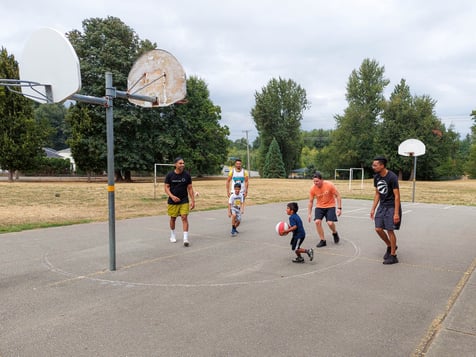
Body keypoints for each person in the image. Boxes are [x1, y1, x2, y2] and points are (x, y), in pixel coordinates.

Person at [370, 156, 401, 265]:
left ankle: (393, 255)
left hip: (392, 206)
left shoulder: (392, 177)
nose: (373, 167)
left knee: (389, 230)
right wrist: (373, 208)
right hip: (382, 206)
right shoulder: (377, 177)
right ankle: (390, 245)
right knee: (378, 229)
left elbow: (397, 196)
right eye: (373, 165)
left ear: (382, 165)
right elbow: (377, 193)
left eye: (375, 165)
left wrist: (396, 213)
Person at [164, 157, 195, 247]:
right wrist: (172, 196)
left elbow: (190, 188)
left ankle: (185, 238)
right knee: (173, 218)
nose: (182, 165)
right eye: (180, 163)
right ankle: (172, 234)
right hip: (172, 201)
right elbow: (166, 187)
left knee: (184, 217)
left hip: (184, 200)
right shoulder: (170, 175)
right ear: (175, 165)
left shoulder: (187, 175)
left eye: (183, 163)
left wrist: (193, 200)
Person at [307, 172, 342, 247]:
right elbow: (310, 202)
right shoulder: (312, 188)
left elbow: (338, 196)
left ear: (321, 180)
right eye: (314, 181)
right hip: (320, 207)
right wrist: (309, 214)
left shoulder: (329, 185)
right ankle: (323, 240)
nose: (315, 183)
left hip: (330, 206)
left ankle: (334, 232)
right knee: (317, 222)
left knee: (330, 223)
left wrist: (339, 208)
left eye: (317, 181)